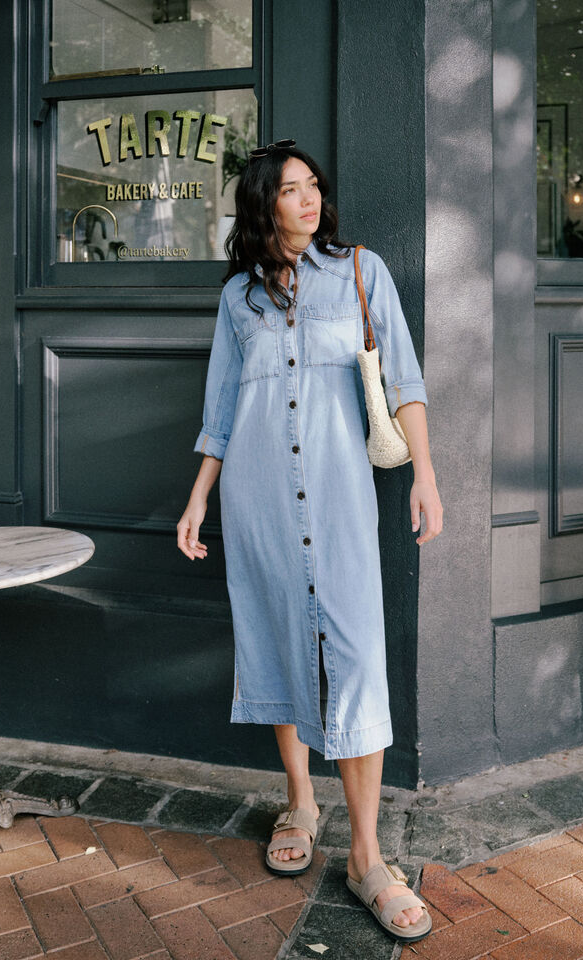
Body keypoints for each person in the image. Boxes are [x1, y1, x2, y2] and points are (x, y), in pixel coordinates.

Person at [177, 139, 442, 943]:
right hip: (258, 500)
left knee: (356, 656)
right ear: (262, 205)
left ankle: (366, 857)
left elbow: (405, 381)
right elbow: (220, 414)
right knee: (282, 641)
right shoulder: (238, 303)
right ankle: (299, 797)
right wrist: (197, 501)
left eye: (314, 187)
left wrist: (425, 475)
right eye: (291, 190)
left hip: (338, 501)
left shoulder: (361, 272)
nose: (309, 199)